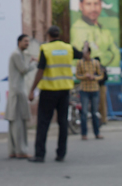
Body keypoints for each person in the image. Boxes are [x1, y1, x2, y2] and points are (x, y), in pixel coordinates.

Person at [28, 26, 83, 163]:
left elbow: (40, 71)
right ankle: (61, 153)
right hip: (64, 91)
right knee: (63, 122)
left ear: (48, 35)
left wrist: (32, 89)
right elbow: (83, 55)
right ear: (59, 35)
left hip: (48, 90)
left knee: (43, 123)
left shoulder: (46, 49)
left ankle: (40, 154)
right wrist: (86, 47)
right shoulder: (68, 48)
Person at [70, 0, 120, 70]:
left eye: (96, 4)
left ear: (101, 5)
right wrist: (108, 54)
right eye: (88, 4)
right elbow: (92, 55)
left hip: (102, 75)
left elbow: (117, 55)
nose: (93, 8)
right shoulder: (77, 28)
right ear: (81, 6)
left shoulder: (104, 30)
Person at [6, 34, 37, 158]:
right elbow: (23, 70)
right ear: (19, 42)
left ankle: (14, 150)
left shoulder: (19, 55)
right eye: (25, 41)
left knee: (16, 122)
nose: (27, 43)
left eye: (28, 41)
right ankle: (20, 151)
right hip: (18, 92)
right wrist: (34, 64)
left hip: (17, 91)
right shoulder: (16, 54)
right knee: (18, 123)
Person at [75, 41, 103, 141]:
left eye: (86, 53)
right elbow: (77, 75)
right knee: (84, 113)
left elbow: (101, 75)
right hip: (84, 89)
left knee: (95, 112)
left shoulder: (95, 63)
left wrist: (94, 77)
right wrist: (84, 76)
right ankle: (84, 134)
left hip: (95, 89)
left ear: (89, 53)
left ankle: (97, 132)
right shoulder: (79, 63)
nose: (84, 55)